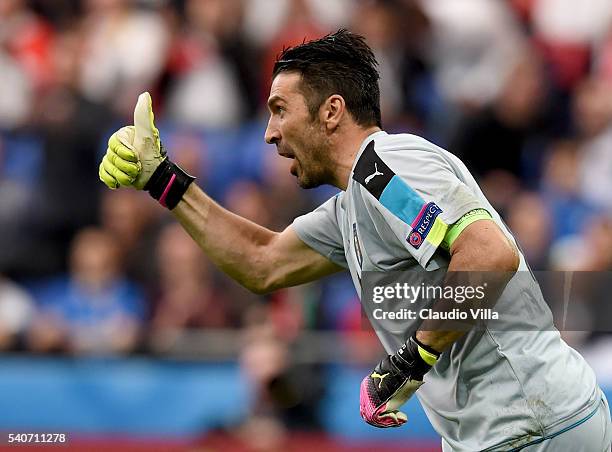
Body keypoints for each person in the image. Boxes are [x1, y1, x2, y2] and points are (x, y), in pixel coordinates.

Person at [99, 30, 611, 451]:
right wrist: (162, 181)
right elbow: (262, 262)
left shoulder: (384, 170)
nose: (269, 132)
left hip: (535, 425)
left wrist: (409, 361)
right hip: (512, 430)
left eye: (280, 110)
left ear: (331, 111)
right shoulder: (357, 202)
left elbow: (488, 254)